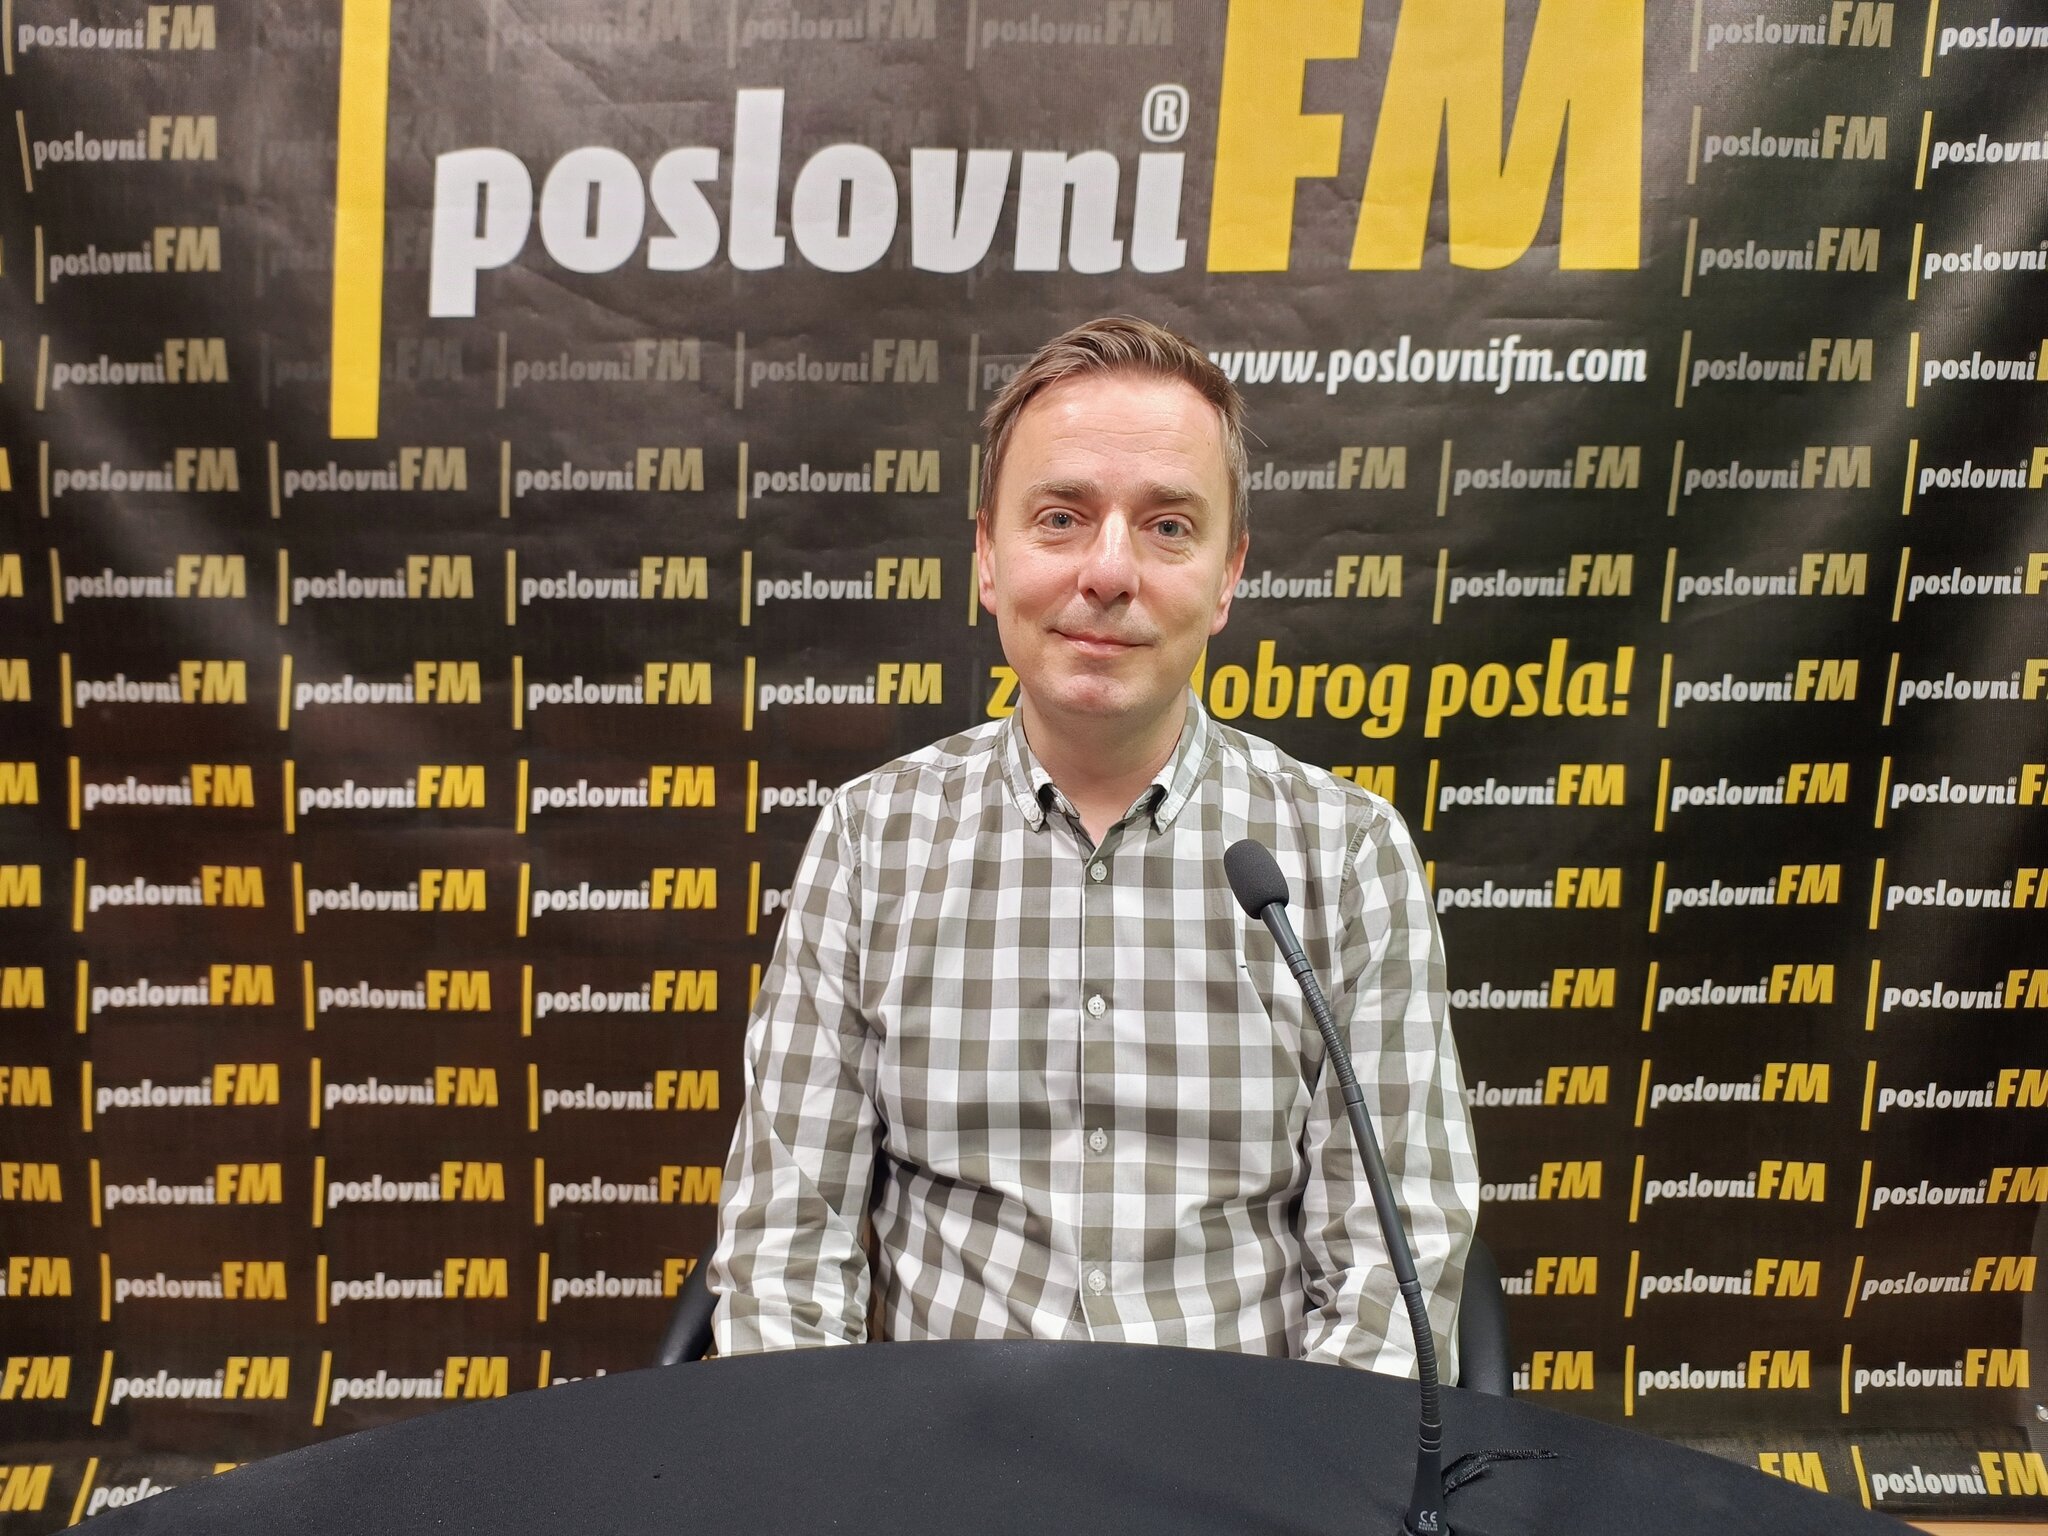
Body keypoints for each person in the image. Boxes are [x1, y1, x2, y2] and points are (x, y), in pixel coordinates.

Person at [708, 315, 1478, 1377]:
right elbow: (784, 1257)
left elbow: (1394, 1270)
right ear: (987, 558)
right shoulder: (869, 843)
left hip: (1250, 1459)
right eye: (1061, 518)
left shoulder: (1344, 857)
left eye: (1168, 527)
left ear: (1226, 576)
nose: (1109, 571)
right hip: (935, 1455)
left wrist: (1321, 1476)